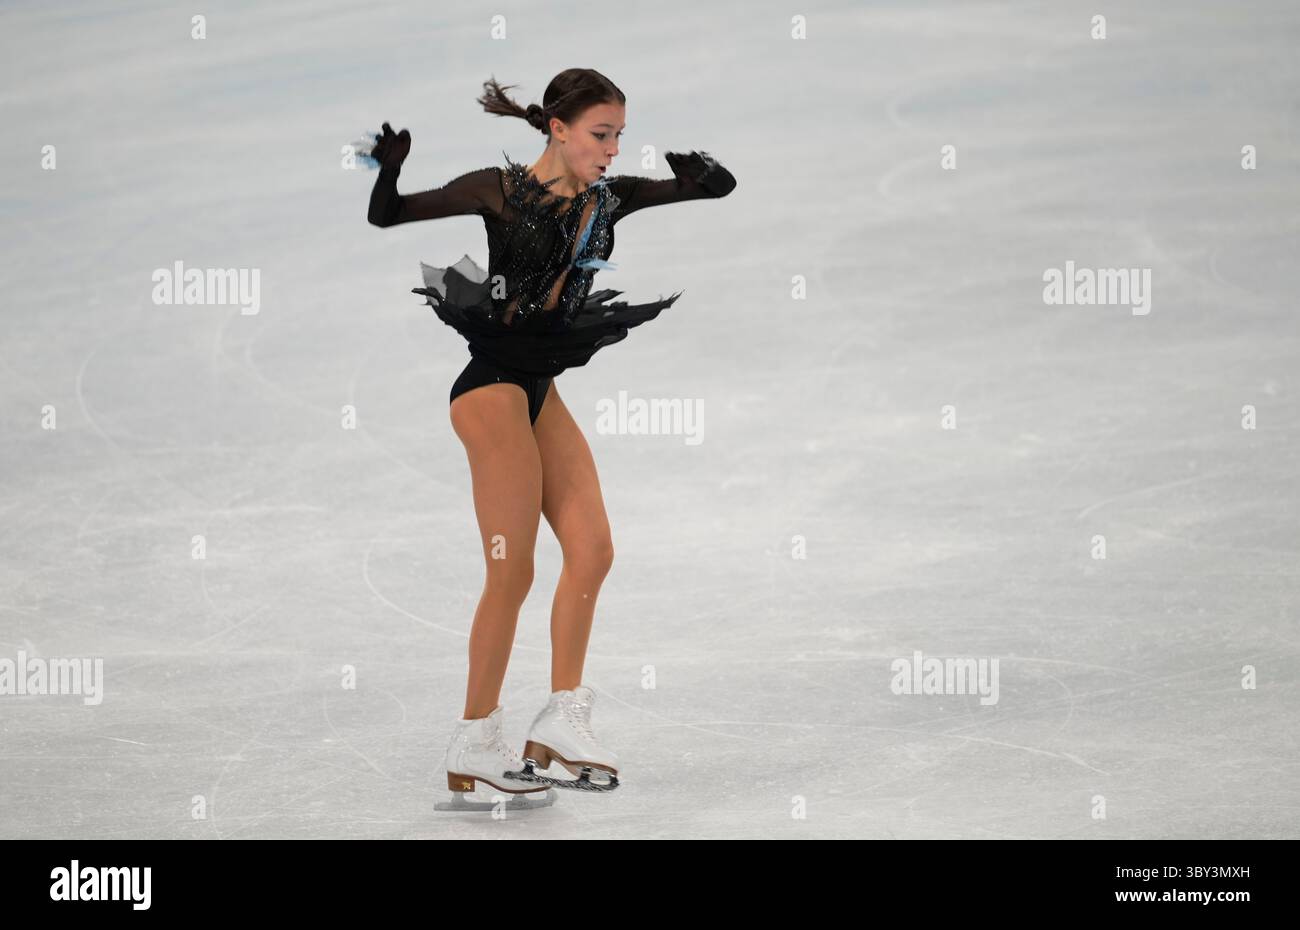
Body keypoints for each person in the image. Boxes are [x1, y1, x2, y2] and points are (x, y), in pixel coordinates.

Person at [365, 69, 736, 800]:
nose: (613, 148)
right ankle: (475, 737)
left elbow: (714, 190)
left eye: (620, 135)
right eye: (602, 134)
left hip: (538, 393)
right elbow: (389, 217)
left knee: (594, 550)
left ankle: (562, 717)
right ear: (558, 130)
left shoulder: (610, 197)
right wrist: (390, 171)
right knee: (514, 570)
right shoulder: (497, 190)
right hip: (489, 392)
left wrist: (704, 174)